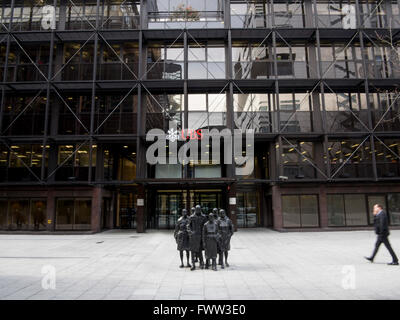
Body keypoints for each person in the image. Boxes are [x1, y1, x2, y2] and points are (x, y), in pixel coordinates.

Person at [187, 205, 207, 270]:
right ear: (195, 209)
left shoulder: (203, 217)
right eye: (197, 209)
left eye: (199, 209)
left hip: (201, 236)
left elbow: (206, 226)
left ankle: (201, 263)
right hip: (193, 236)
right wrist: (190, 232)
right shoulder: (191, 217)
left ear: (201, 209)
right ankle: (193, 264)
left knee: (200, 250)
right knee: (192, 251)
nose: (198, 210)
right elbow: (188, 226)